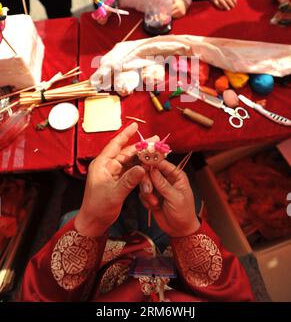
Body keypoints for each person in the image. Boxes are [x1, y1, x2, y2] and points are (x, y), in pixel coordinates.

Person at [20, 123, 255, 302]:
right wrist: (187, 230)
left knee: (74, 211)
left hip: (100, 279)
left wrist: (91, 221)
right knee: (184, 192)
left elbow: (38, 297)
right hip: (177, 270)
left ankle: (75, 177)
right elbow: (237, 294)